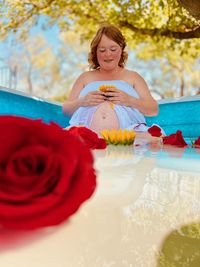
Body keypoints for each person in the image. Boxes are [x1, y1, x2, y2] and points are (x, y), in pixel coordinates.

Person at [62, 24, 163, 142]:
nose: (108, 54)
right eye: (102, 50)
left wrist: (129, 100)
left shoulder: (133, 77)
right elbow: (66, 110)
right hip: (85, 135)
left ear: (121, 49)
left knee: (157, 139)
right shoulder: (85, 77)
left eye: (113, 49)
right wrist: (82, 101)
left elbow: (153, 109)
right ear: (95, 52)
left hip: (128, 136)